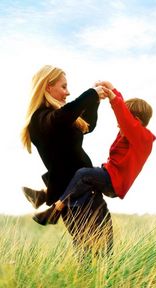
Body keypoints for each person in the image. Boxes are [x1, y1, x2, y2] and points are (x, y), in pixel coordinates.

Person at [32, 80, 156, 225]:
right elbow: (125, 113)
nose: (118, 123)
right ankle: (43, 194)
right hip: (109, 175)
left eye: (123, 120)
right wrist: (112, 88)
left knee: (83, 174)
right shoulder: (132, 134)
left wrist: (113, 98)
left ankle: (55, 210)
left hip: (114, 182)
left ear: (136, 121)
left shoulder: (142, 137)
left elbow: (123, 114)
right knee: (79, 178)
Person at [21, 66, 113, 256]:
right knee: (98, 256)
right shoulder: (41, 119)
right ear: (48, 87)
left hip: (83, 193)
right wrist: (90, 93)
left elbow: (87, 126)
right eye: (64, 87)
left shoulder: (56, 118)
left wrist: (95, 101)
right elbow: (62, 118)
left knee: (97, 256)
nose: (68, 92)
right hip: (77, 198)